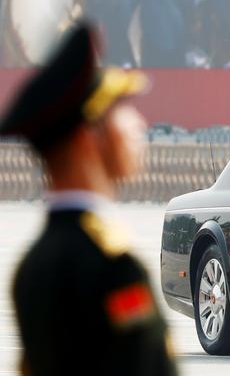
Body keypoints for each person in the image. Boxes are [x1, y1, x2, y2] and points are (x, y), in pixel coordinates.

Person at [0, 22, 177, 376]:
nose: (138, 125)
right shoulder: (111, 267)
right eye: (120, 112)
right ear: (87, 139)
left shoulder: (33, 265)